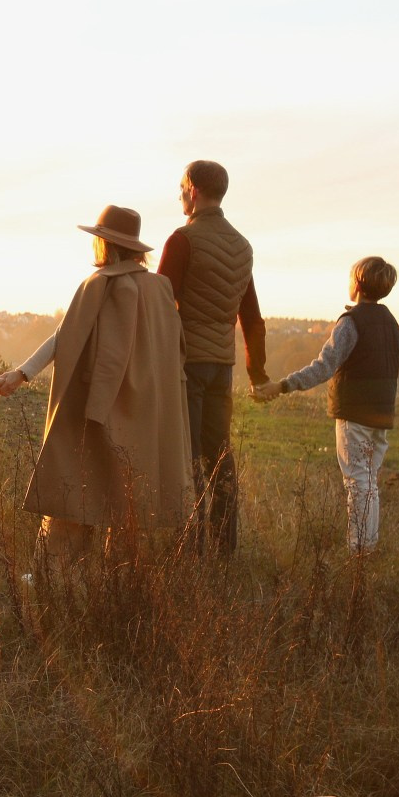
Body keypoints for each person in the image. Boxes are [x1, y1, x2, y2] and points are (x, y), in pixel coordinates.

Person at [0, 207, 191, 575]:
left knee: (74, 495)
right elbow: (173, 354)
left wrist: (23, 374)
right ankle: (117, 586)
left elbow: (66, 339)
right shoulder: (160, 288)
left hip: (95, 410)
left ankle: (52, 580)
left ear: (105, 243)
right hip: (146, 415)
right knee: (127, 507)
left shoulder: (102, 283)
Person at [253, 256, 399, 554]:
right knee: (369, 481)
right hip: (381, 414)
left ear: (357, 283)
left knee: (358, 483)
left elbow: (324, 366)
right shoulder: (391, 323)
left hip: (354, 414)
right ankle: (367, 548)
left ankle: (359, 551)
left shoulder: (351, 322)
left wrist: (282, 386)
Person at [157, 159, 267, 556]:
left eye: (181, 187)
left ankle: (190, 546)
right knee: (220, 457)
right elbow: (252, 319)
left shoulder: (182, 240)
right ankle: (224, 548)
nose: (179, 195)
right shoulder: (242, 246)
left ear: (194, 190)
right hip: (223, 367)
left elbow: (158, 304)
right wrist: (258, 372)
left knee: (186, 458)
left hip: (187, 365)